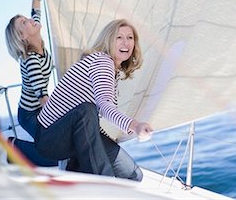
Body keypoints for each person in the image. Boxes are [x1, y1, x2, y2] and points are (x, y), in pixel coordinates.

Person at [35, 19, 153, 181]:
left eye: (130, 38)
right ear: (108, 40)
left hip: (74, 133)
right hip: (50, 138)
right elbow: (104, 107)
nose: (125, 42)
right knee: (87, 109)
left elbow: (95, 118)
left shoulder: (112, 70)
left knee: (132, 175)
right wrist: (136, 125)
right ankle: (102, 185)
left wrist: (108, 142)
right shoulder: (102, 61)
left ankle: (76, 170)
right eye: (119, 37)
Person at [4, 0, 57, 166]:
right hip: (29, 114)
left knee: (57, 145)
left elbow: (36, 9)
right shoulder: (31, 60)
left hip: (38, 109)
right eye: (24, 23)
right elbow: (42, 95)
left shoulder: (35, 36)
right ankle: (14, 147)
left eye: (26, 20)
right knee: (53, 157)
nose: (31, 20)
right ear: (23, 37)